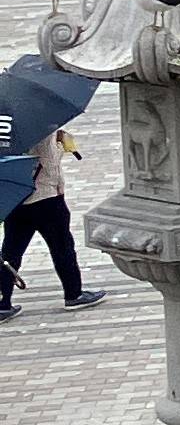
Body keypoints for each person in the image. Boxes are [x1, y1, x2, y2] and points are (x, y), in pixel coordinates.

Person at [0, 128, 104, 316]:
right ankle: (74, 294)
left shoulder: (7, 125)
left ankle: (2, 303)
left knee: (11, 252)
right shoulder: (41, 126)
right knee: (62, 247)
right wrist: (60, 142)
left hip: (16, 197)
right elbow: (48, 161)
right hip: (46, 197)